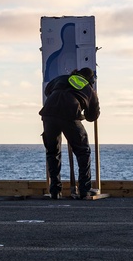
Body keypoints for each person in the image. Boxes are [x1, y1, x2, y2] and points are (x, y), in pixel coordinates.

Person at [40, 67, 100, 199]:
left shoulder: (61, 78)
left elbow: (47, 91)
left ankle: (55, 191)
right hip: (70, 114)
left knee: (52, 151)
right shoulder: (89, 89)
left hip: (49, 113)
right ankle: (84, 190)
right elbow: (92, 116)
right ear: (91, 81)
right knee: (83, 152)